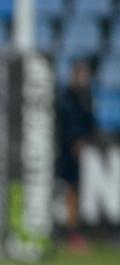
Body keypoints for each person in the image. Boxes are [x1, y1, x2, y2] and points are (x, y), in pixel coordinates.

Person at [56, 60, 96, 254]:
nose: (84, 79)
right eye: (81, 75)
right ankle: (58, 232)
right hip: (60, 152)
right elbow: (60, 125)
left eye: (86, 75)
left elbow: (90, 124)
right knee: (60, 192)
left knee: (72, 193)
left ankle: (71, 234)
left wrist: (84, 141)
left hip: (75, 155)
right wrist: (72, 141)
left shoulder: (86, 99)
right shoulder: (64, 98)